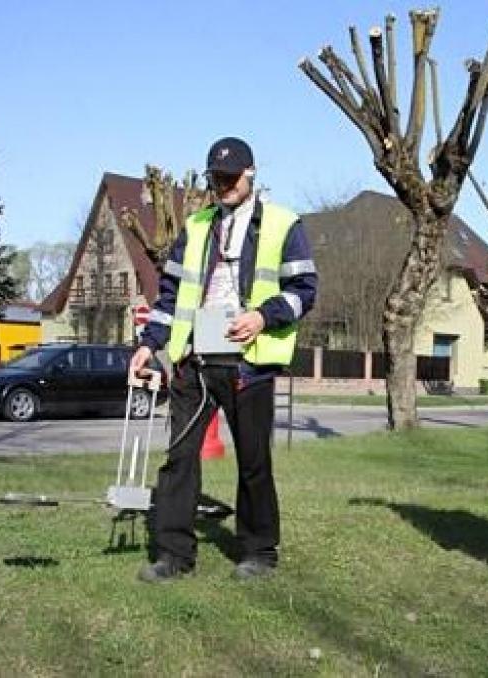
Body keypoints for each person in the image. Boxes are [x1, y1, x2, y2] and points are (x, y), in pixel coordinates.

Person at [130, 136, 318, 582]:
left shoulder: (283, 224)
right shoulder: (195, 227)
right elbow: (171, 296)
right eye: (216, 178)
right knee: (179, 458)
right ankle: (173, 555)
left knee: (253, 461)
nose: (223, 185)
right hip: (194, 361)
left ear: (250, 175)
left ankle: (259, 552)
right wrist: (149, 343)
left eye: (231, 178)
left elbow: (304, 291)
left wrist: (262, 316)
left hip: (249, 364)